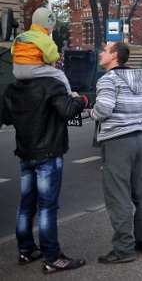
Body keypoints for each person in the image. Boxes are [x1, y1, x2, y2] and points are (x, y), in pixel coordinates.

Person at [2, 71, 87, 273]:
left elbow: (6, 117)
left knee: (26, 205)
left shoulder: (14, 86)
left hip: (25, 151)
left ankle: (26, 250)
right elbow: (67, 111)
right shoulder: (52, 84)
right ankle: (52, 258)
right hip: (48, 151)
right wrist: (80, 99)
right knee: (48, 207)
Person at [90, 41, 142, 263]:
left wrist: (92, 113)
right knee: (141, 194)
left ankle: (123, 250)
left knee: (118, 198)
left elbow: (104, 109)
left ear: (114, 55)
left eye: (105, 50)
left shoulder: (108, 79)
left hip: (117, 142)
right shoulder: (139, 79)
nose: (101, 53)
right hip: (138, 140)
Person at [11, 7, 71, 94]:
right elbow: (51, 58)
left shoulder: (21, 36)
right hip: (32, 69)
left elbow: (13, 51)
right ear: (49, 26)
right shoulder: (46, 40)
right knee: (60, 75)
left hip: (16, 70)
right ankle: (69, 95)